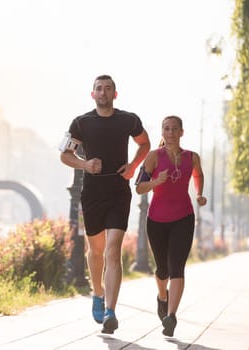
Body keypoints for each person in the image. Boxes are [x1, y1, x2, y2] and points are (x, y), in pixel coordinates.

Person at [60, 75, 150, 334]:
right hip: (92, 193)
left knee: (113, 251)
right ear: (93, 94)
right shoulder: (81, 123)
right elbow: (65, 155)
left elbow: (144, 143)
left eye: (107, 89)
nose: (103, 92)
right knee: (96, 251)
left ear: (115, 94)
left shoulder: (128, 120)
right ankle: (97, 294)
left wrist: (133, 166)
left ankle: (111, 310)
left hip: (118, 192)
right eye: (99, 89)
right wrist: (85, 165)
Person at [135, 115, 207, 337]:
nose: (170, 133)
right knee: (162, 269)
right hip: (157, 220)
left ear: (181, 132)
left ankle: (171, 316)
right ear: (162, 132)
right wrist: (157, 182)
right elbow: (138, 187)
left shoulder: (192, 157)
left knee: (177, 267)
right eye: (166, 129)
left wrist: (200, 194)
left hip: (183, 218)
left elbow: (198, 174)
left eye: (175, 129)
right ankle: (162, 297)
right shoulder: (153, 157)